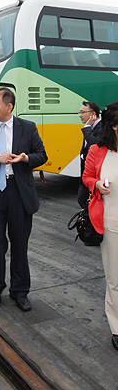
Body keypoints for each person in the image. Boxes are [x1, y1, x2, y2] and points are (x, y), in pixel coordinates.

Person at [0, 87, 47, 312]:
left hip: (19, 193)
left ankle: (20, 292)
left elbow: (42, 155)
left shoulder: (28, 127)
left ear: (9, 106)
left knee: (20, 245)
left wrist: (25, 158)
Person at [83, 101, 118, 351]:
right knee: (115, 278)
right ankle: (117, 327)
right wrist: (96, 185)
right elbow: (87, 177)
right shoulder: (98, 149)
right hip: (111, 222)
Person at [77, 101, 103, 208]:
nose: (80, 115)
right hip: (85, 171)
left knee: (86, 200)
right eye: (79, 112)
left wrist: (87, 128)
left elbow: (94, 145)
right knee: (82, 199)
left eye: (83, 112)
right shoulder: (89, 127)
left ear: (93, 114)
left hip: (95, 173)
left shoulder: (102, 127)